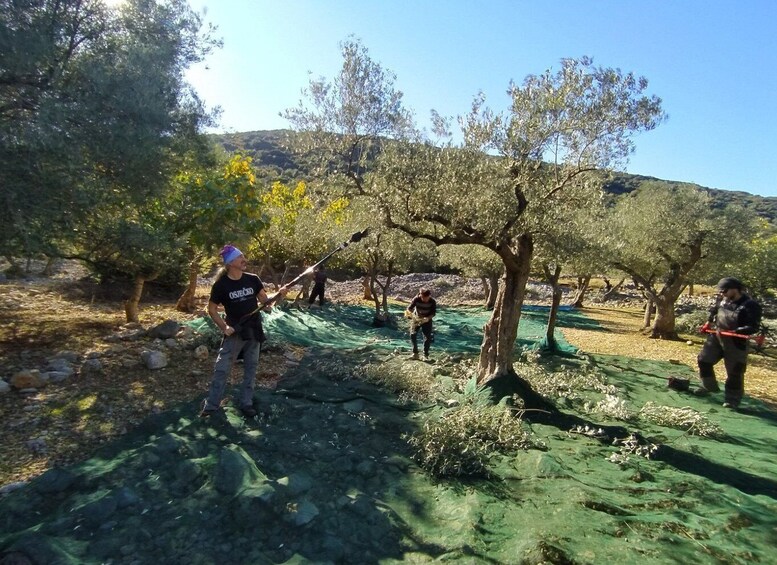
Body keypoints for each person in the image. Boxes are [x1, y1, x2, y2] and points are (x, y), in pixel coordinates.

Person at [200, 245, 287, 418]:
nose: (244, 259)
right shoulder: (221, 285)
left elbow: (265, 302)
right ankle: (211, 406)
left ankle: (246, 403)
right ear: (231, 263)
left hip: (253, 330)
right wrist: (224, 327)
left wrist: (280, 294)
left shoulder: (253, 279)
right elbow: (211, 309)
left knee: (251, 368)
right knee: (222, 369)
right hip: (235, 332)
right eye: (240, 257)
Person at [695, 277, 762, 409]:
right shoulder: (722, 299)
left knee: (735, 371)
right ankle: (709, 386)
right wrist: (707, 323)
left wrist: (737, 331)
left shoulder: (750, 305)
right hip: (717, 336)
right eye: (720, 291)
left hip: (737, 341)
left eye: (724, 291)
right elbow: (714, 311)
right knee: (704, 360)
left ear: (735, 289)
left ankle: (732, 400)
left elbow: (753, 326)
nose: (722, 294)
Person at [406, 288, 437, 361]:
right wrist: (409, 313)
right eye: (423, 298)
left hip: (427, 320)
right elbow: (410, 308)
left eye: (426, 298)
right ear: (420, 295)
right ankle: (415, 353)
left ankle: (425, 355)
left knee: (427, 337)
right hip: (417, 318)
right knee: (412, 334)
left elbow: (433, 313)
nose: (424, 300)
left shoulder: (432, 301)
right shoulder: (416, 299)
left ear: (429, 296)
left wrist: (427, 318)